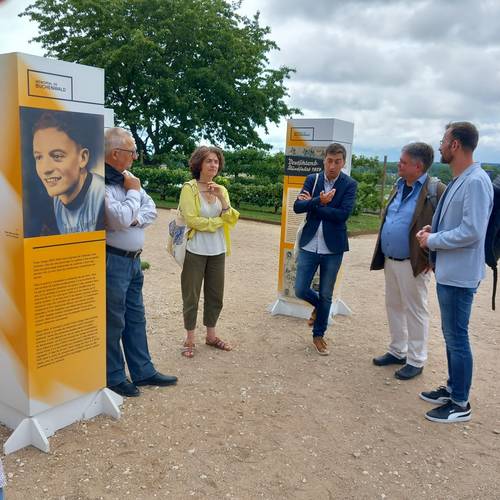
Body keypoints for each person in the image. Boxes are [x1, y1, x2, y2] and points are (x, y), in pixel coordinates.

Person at [416, 122, 493, 423]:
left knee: (457, 337)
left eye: (444, 140)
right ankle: (452, 388)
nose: (440, 145)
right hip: (451, 270)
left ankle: (460, 402)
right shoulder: (464, 177)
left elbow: (472, 231)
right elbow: (458, 223)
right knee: (451, 335)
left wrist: (433, 241)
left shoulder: (475, 181)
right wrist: (432, 229)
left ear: (456, 145)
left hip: (460, 274)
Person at [104, 127, 177, 397]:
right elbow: (116, 219)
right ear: (115, 153)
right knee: (114, 320)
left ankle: (143, 371)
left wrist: (132, 215)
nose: (135, 156)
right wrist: (133, 196)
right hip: (113, 261)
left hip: (133, 262)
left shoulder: (128, 179)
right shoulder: (101, 182)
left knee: (136, 317)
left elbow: (151, 209)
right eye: (132, 151)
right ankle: (113, 375)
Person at [371, 143, 445, 379]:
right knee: (393, 305)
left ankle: (416, 359)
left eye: (403, 162)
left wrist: (434, 257)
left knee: (415, 310)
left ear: (418, 165)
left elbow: (445, 226)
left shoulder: (436, 190)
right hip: (391, 259)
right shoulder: (399, 185)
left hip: (414, 262)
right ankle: (397, 350)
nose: (398, 165)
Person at [293, 143, 357, 355]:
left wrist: (315, 205)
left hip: (333, 248)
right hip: (310, 244)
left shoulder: (349, 184)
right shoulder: (313, 180)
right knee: (300, 289)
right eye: (329, 161)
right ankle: (319, 308)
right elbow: (297, 207)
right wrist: (319, 201)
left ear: (343, 162)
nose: (332, 165)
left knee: (327, 294)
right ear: (324, 161)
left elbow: (343, 215)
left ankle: (318, 335)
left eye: (337, 162)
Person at [178, 146, 239, 358]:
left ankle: (211, 336)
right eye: (209, 161)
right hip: (195, 249)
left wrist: (222, 199)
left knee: (215, 295)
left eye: (216, 161)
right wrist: (218, 222)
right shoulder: (189, 188)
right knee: (191, 295)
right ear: (199, 165)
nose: (214, 165)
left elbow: (231, 219)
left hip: (218, 250)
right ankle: (190, 338)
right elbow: (192, 219)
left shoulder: (222, 189)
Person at [32, 111, 104, 234]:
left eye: (57, 156)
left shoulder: (103, 198)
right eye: (39, 157)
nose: (46, 169)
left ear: (82, 158)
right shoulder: (49, 207)